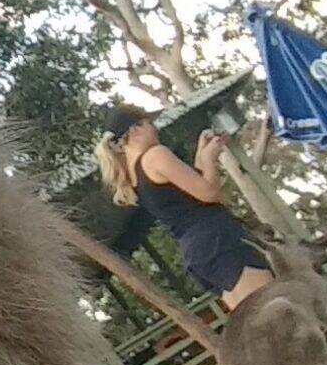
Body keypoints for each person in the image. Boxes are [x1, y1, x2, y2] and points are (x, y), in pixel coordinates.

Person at [95, 105, 276, 310]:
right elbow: (209, 193)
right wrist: (210, 159)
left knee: (254, 317)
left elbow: (191, 195)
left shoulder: (133, 176)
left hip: (199, 253)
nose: (155, 129)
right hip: (219, 240)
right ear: (135, 130)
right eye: (150, 124)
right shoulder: (155, 156)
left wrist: (202, 155)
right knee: (273, 309)